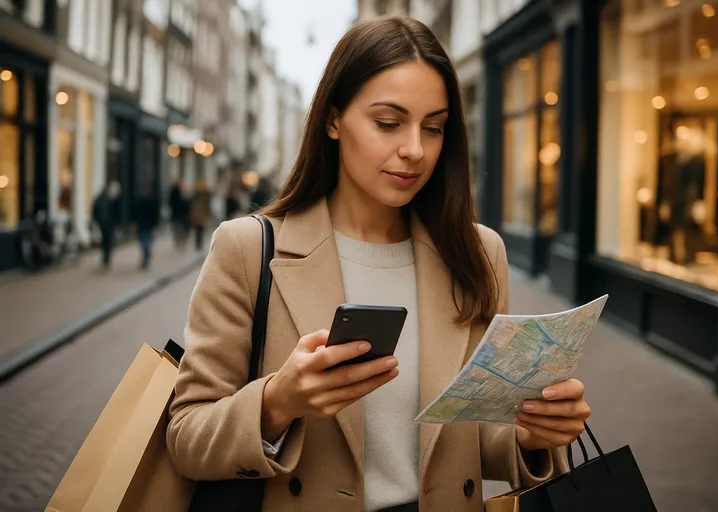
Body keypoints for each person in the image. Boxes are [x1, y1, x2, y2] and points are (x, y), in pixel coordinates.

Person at [167, 17, 590, 512]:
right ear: (332, 119)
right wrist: (278, 402)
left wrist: (535, 433)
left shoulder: (477, 254)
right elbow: (186, 437)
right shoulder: (248, 249)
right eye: (388, 123)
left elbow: (474, 445)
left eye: (433, 127)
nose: (414, 149)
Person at [92, 181, 121, 269]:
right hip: (105, 223)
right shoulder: (105, 199)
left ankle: (106, 256)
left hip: (107, 224)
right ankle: (106, 256)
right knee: (107, 240)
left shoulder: (108, 199)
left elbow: (116, 211)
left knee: (107, 240)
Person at [134, 184, 160, 269]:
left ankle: (146, 255)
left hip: (147, 224)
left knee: (146, 241)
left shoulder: (150, 200)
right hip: (144, 224)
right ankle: (146, 254)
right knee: (144, 241)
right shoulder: (141, 200)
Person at [189, 177, 212, 251]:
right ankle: (199, 244)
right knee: (200, 230)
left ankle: (198, 244)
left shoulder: (198, 194)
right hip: (200, 215)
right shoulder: (205, 194)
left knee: (199, 231)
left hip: (199, 215)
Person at [169, 180, 190, 250]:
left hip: (184, 215)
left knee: (183, 229)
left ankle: (182, 241)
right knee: (178, 228)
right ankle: (179, 241)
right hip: (178, 215)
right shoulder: (175, 194)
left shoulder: (186, 193)